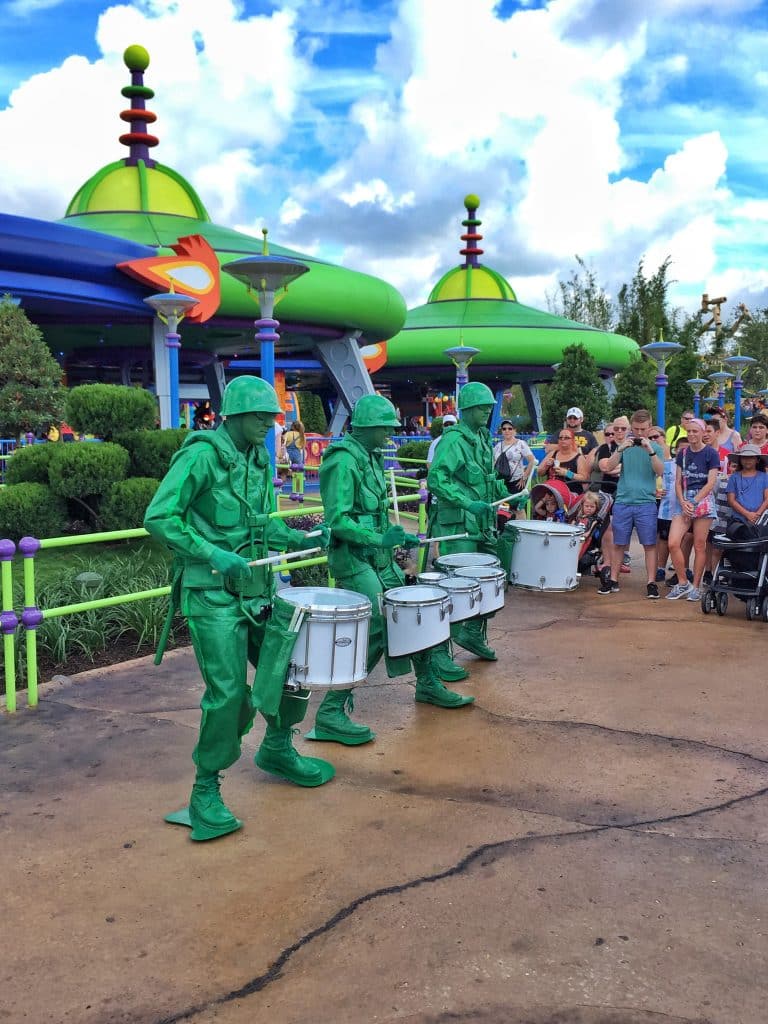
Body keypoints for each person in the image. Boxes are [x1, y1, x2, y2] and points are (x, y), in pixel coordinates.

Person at [144, 376, 334, 843]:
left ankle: (277, 748)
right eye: (262, 418)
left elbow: (259, 525)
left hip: (257, 591)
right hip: (212, 596)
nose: (271, 425)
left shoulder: (258, 456)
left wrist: (297, 537)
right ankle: (204, 792)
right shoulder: (201, 455)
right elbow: (158, 516)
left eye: (272, 418)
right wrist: (211, 553)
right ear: (235, 417)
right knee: (228, 694)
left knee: (292, 669)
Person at [307, 393, 473, 748]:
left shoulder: (369, 458)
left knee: (415, 609)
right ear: (367, 427)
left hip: (379, 558)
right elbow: (338, 521)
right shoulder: (342, 462)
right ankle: (331, 712)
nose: (391, 436)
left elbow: (375, 516)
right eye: (386, 429)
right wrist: (381, 539)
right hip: (353, 560)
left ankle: (427, 683)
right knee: (379, 625)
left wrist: (393, 539)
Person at [428, 381, 512, 661]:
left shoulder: (483, 441)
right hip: (458, 527)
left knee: (495, 582)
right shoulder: (453, 440)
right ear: (467, 409)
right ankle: (441, 656)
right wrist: (466, 502)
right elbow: (436, 479)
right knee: (454, 590)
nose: (488, 413)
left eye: (490, 408)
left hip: (482, 526)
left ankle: (473, 632)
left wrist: (509, 495)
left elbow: (488, 480)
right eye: (482, 408)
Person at [598, 409, 664, 598]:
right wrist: (620, 448)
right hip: (624, 501)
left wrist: (649, 450)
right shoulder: (624, 445)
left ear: (649, 427)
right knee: (619, 543)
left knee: (649, 544)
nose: (639, 433)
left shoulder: (656, 447)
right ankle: (613, 580)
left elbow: (660, 471)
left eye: (643, 429)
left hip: (646, 502)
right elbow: (608, 467)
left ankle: (651, 582)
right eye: (635, 429)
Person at [666, 418, 720, 601]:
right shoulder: (683, 453)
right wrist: (683, 502)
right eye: (688, 431)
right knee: (673, 542)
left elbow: (711, 482)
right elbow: (678, 481)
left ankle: (696, 586)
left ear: (703, 432)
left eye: (695, 431)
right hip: (685, 500)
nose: (691, 435)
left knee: (699, 544)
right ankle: (683, 582)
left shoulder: (711, 453)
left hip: (702, 500)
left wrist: (694, 502)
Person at [538, 428, 589, 495]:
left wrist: (567, 473)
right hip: (551, 492)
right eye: (560, 438)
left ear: (572, 440)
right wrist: (546, 466)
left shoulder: (579, 458)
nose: (563, 440)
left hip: (570, 493)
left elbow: (584, 478)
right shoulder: (552, 454)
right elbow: (539, 473)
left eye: (566, 438)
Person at [493, 420, 536, 498]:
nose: (507, 431)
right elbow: (493, 462)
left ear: (514, 430)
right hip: (500, 482)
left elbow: (532, 460)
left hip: (516, 481)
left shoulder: (521, 443)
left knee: (517, 508)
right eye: (504, 429)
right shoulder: (498, 446)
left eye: (510, 428)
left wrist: (524, 477)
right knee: (501, 507)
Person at [725, 445, 768, 525]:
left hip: (761, 519)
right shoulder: (734, 477)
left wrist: (757, 515)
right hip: (738, 520)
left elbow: (767, 499)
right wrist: (747, 514)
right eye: (744, 457)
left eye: (751, 457)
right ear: (740, 460)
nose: (747, 460)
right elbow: (731, 500)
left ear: (757, 460)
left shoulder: (765, 476)